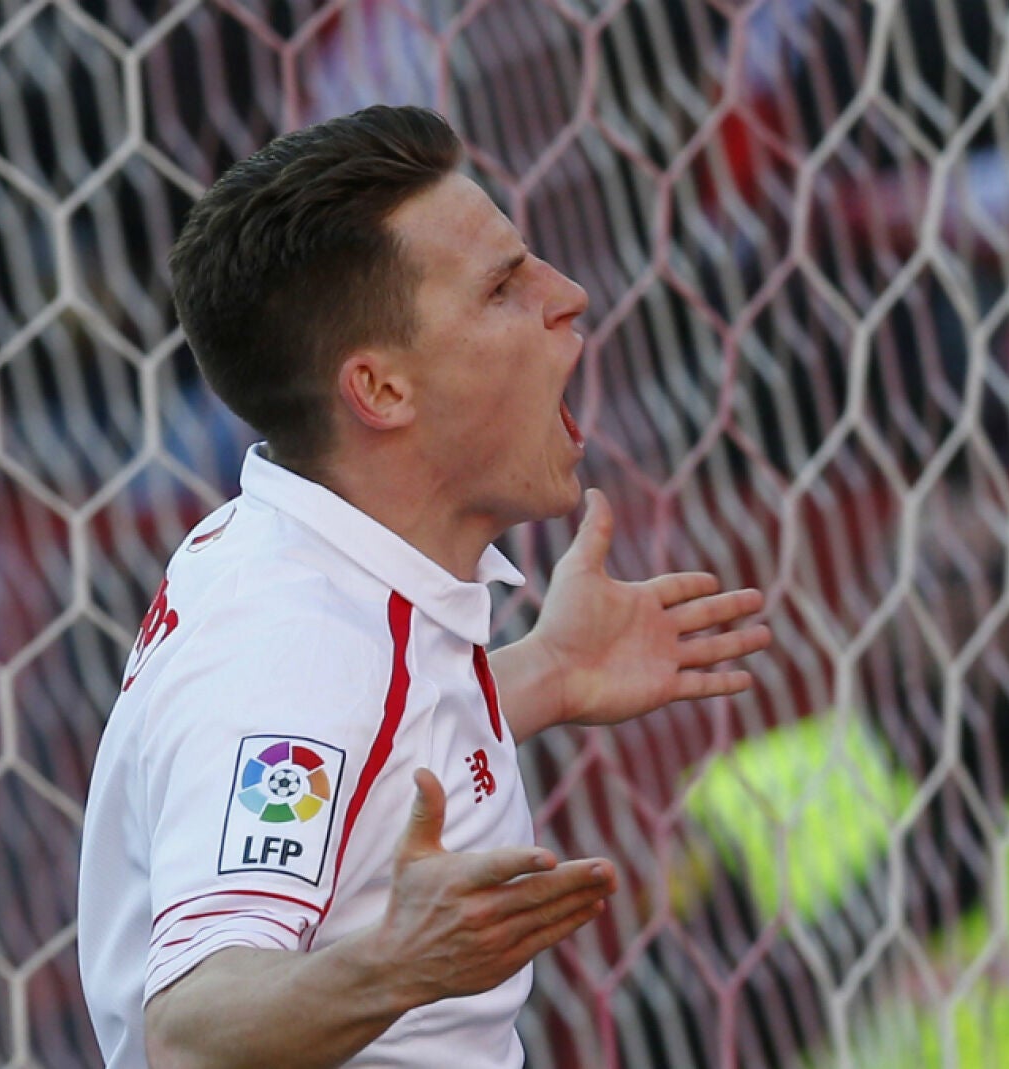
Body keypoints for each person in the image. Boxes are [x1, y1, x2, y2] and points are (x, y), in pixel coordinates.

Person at [76, 104, 773, 1069]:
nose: (567, 296)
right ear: (383, 391)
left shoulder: (304, 552)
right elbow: (189, 1027)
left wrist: (544, 673)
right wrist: (397, 967)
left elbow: (359, 755)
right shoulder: (297, 642)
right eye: (502, 288)